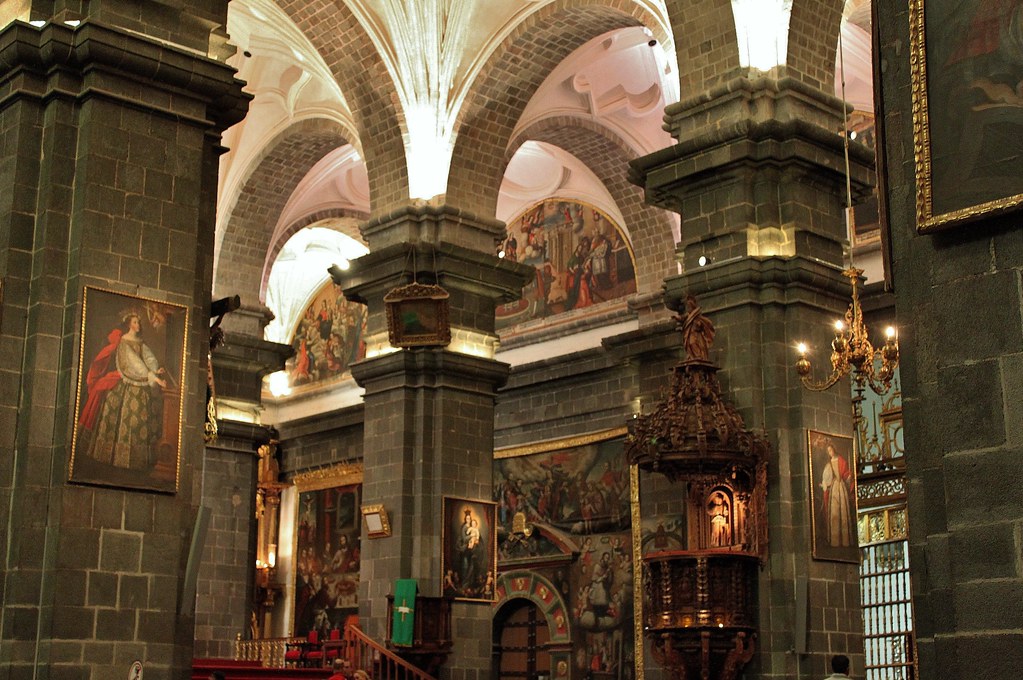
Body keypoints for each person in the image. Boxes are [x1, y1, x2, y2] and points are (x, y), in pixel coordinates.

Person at [78, 311, 167, 470]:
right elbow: (134, 364)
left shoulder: (140, 342)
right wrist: (153, 378)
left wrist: (155, 369)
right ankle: (113, 458)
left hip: (142, 381)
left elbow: (148, 358)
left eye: (138, 323)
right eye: (135, 322)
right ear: (129, 324)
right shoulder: (124, 342)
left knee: (141, 418)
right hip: (126, 381)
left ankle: (138, 462)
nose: (138, 325)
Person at [821, 443, 855, 547]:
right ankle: (835, 541)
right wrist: (825, 483)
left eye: (831, 450)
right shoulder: (829, 464)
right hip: (835, 487)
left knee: (843, 511)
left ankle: (845, 540)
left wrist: (849, 476)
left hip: (841, 487)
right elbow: (828, 478)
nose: (830, 453)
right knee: (835, 512)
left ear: (834, 450)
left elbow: (845, 473)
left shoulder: (841, 460)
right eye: (828, 451)